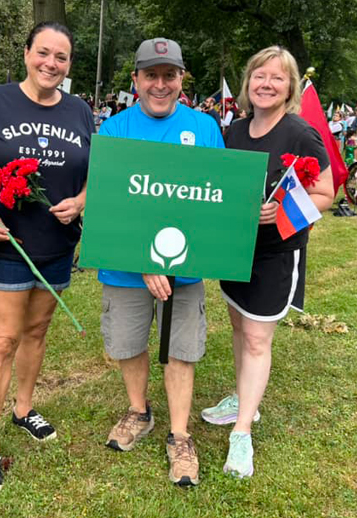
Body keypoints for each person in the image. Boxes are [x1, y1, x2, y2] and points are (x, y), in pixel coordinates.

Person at [0, 21, 95, 494]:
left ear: (70, 65)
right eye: (44, 53)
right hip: (6, 244)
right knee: (4, 340)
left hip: (57, 245)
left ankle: (24, 409)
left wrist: (83, 201)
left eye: (62, 57)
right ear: (27, 53)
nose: (51, 63)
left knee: (36, 332)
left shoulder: (80, 111)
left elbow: (94, 174)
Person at [201, 46, 334, 479]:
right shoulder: (234, 131)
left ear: (290, 87)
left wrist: (281, 211)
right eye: (260, 76)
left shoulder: (301, 134)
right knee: (239, 327)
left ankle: (242, 434)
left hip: (277, 253)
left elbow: (326, 193)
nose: (267, 84)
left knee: (258, 339)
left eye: (277, 78)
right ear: (248, 83)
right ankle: (243, 401)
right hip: (235, 250)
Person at [98, 37, 224, 487]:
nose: (160, 83)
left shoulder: (206, 128)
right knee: (128, 344)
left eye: (169, 75)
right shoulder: (114, 130)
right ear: (135, 80)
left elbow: (213, 198)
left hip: (185, 267)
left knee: (181, 350)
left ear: (181, 79)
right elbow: (111, 204)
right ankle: (139, 411)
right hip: (125, 268)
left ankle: (180, 435)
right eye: (150, 74)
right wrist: (144, 259)